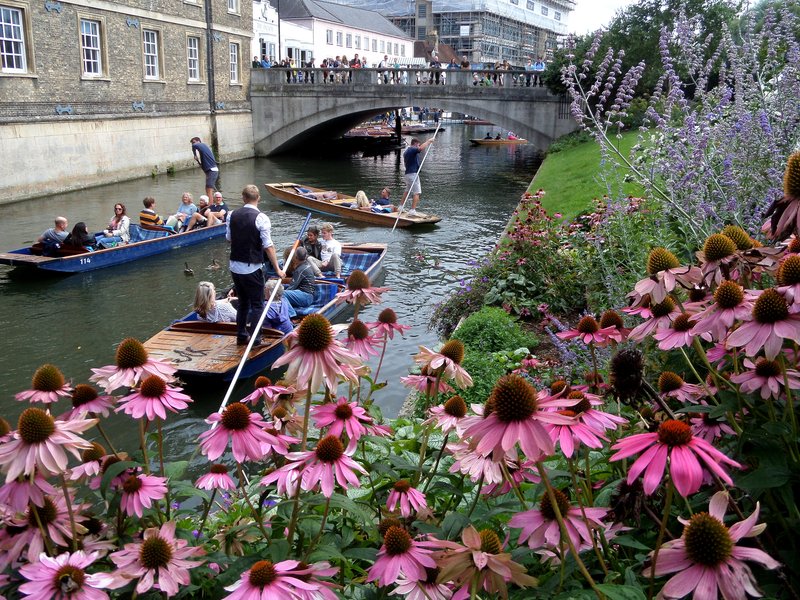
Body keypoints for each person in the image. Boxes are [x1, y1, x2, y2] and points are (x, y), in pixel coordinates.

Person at [226, 184, 285, 346]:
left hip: (234, 266)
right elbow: (268, 246)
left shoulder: (232, 215)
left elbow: (229, 238)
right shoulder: (262, 218)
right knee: (258, 304)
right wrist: (278, 269)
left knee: (243, 302)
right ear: (258, 198)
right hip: (252, 267)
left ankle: (241, 336)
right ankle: (256, 339)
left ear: (243, 198)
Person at [402, 137, 434, 216]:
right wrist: (429, 141)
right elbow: (420, 149)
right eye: (418, 145)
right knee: (417, 192)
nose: (418, 146)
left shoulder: (406, 152)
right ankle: (412, 210)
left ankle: (400, 207)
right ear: (415, 144)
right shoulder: (412, 149)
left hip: (408, 174)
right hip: (413, 174)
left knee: (407, 191)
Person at [283, 246, 318, 314]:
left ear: (295, 258)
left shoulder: (300, 270)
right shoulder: (306, 265)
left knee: (282, 294)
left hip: (306, 297)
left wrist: (278, 294)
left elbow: (292, 287)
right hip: (307, 295)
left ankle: (292, 315)